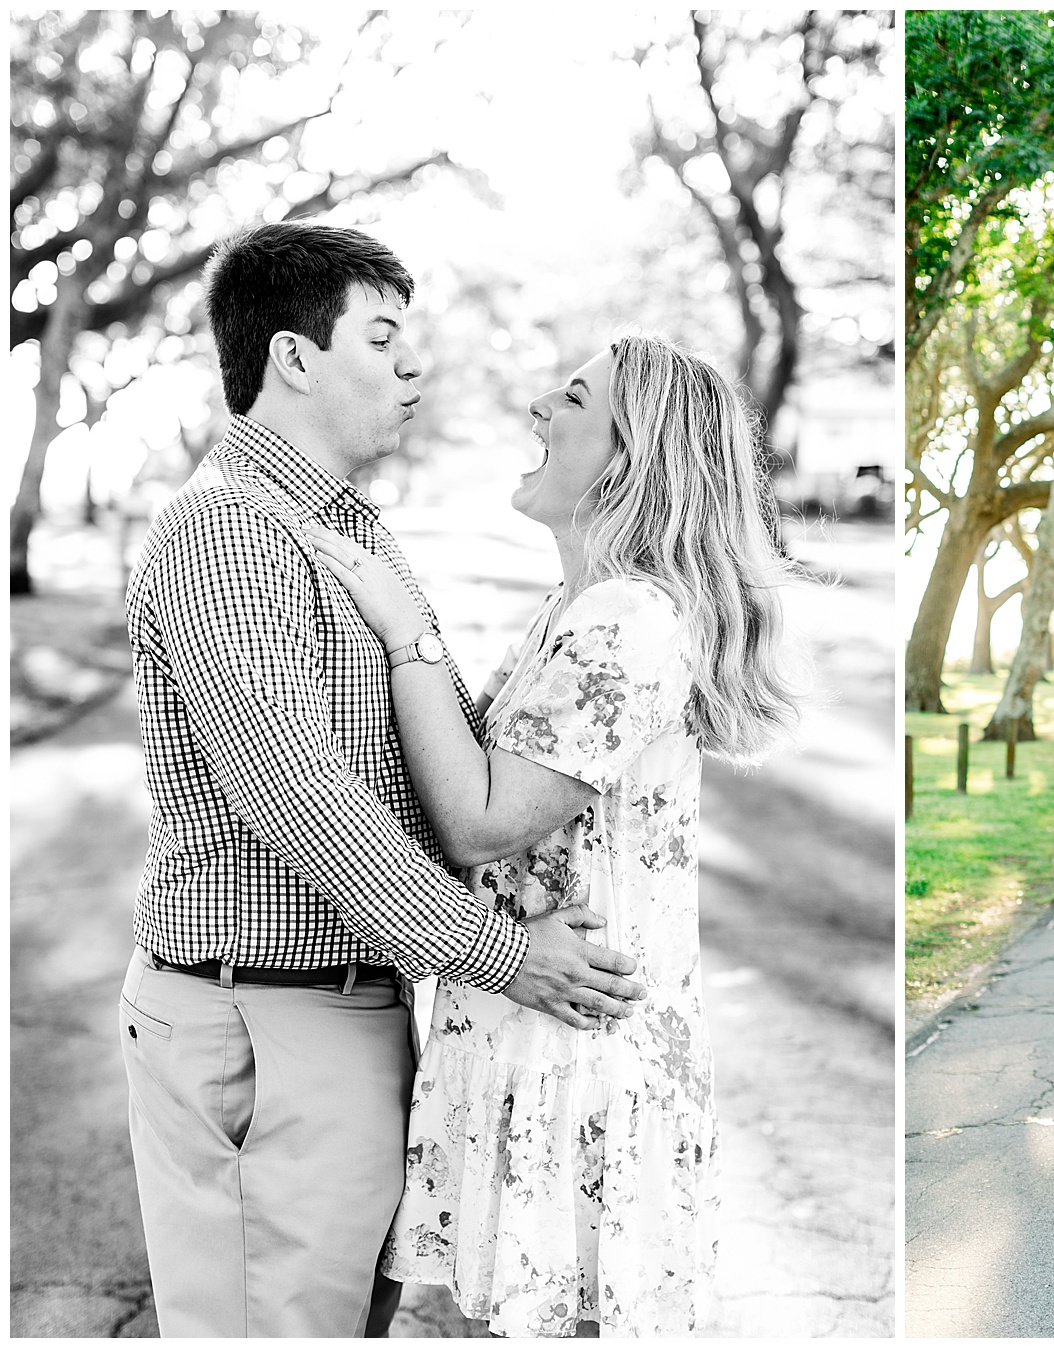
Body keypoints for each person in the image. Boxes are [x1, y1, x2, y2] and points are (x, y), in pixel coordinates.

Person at [118, 222, 646, 1338]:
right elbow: (309, 802)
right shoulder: (226, 539)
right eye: (384, 336)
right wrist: (513, 957)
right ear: (294, 359)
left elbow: (451, 765)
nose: (417, 366)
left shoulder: (344, 529)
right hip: (258, 1013)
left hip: (348, 1013)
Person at [308, 333, 803, 1336]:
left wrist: (408, 631)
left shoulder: (631, 621)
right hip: (531, 1031)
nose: (538, 406)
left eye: (570, 399)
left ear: (630, 456)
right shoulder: (574, 607)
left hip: (577, 1059)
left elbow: (483, 819)